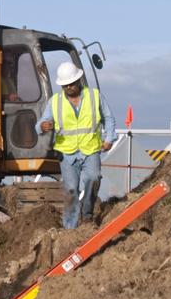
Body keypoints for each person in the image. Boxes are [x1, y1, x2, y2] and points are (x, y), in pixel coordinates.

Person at [38, 62, 114, 229]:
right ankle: (70, 226)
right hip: (67, 153)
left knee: (93, 179)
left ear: (79, 80)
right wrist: (42, 127)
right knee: (71, 190)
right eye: (65, 85)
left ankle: (87, 215)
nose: (69, 87)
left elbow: (108, 118)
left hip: (90, 149)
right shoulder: (55, 102)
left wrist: (109, 138)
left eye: (71, 83)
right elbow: (40, 124)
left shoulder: (94, 96)